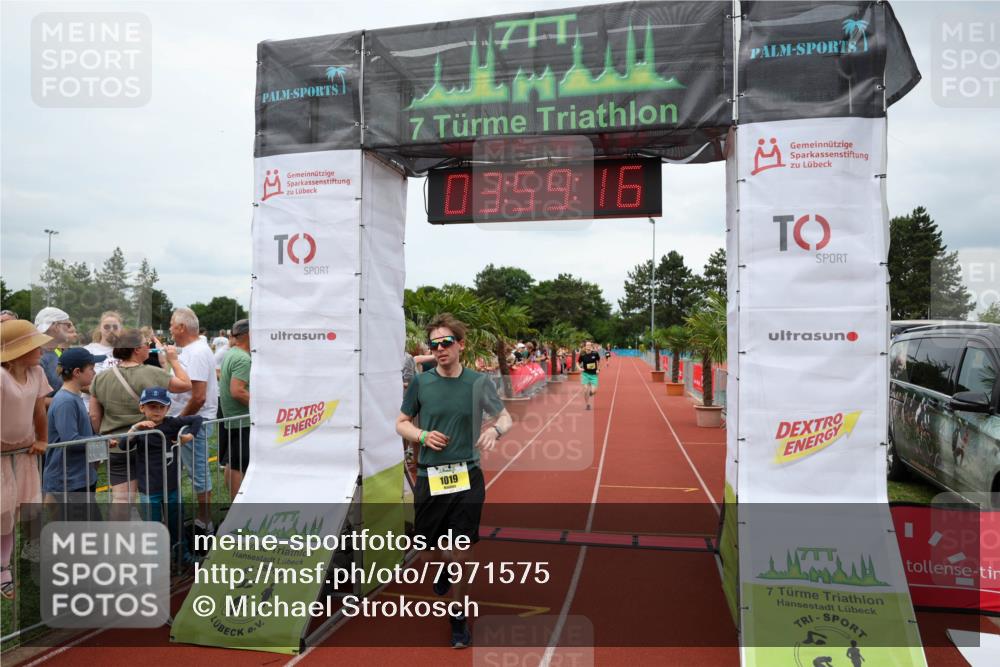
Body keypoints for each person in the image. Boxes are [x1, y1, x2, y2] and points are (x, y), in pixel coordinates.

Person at [395, 313, 513, 649]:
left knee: (460, 551)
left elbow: (505, 415)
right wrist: (421, 434)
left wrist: (495, 429)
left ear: (461, 345)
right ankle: (443, 569)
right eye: (434, 345)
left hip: (466, 476)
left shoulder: (477, 383)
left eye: (447, 342)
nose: (440, 349)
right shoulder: (422, 382)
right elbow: (401, 422)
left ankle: (458, 619)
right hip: (431, 477)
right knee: (430, 548)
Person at [90, 328, 191, 515]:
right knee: (153, 497)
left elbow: (95, 416)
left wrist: (105, 437)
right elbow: (185, 384)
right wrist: (174, 360)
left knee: (121, 499)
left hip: (115, 445)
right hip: (148, 446)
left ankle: (118, 540)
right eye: (147, 344)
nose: (149, 347)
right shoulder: (153, 373)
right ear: (136, 349)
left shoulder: (100, 377)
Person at [0, 320, 52, 599]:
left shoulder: (37, 372)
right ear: (18, 351)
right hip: (1, 455)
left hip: (23, 453)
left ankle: (12, 563)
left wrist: (42, 438)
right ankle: (3, 568)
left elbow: (39, 411)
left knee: (18, 509)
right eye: (34, 346)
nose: (41, 351)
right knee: (1, 511)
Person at [124, 387, 203, 562]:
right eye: (152, 406)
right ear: (142, 408)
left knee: (177, 524)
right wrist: (135, 427)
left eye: (161, 407)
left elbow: (197, 418)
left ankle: (183, 555)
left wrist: (190, 435)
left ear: (167, 408)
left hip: (172, 486)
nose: (157, 411)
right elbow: (123, 445)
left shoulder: (172, 424)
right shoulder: (141, 429)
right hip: (149, 490)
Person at [168, 307, 218, 538]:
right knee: (193, 470)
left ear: (181, 328)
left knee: (198, 471)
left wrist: (180, 420)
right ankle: (201, 519)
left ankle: (204, 523)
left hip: (194, 422)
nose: (169, 328)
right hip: (189, 420)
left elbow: (199, 396)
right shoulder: (191, 350)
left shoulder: (197, 352)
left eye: (171, 324)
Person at [42, 348, 103, 517]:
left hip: (79, 476)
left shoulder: (72, 397)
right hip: (69, 480)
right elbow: (71, 440)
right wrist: (101, 442)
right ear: (77, 372)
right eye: (91, 368)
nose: (94, 372)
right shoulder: (65, 401)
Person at [218, 319, 251, 498]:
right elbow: (237, 391)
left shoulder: (232, 353)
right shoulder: (243, 358)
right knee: (239, 463)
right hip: (242, 418)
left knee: (233, 461)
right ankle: (238, 507)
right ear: (249, 335)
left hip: (233, 417)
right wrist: (261, 407)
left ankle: (234, 504)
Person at [34, 307, 79, 394]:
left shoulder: (58, 352)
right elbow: (36, 401)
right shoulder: (37, 358)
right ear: (56, 326)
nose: (70, 329)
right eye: (68, 325)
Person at [578, 340, 602, 410]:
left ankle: (591, 393)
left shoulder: (595, 353)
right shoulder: (582, 355)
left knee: (594, 391)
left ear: (591, 346)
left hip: (594, 375)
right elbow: (577, 362)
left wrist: (598, 369)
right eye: (587, 345)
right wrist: (579, 368)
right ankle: (587, 404)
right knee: (585, 390)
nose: (588, 346)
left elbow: (598, 361)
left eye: (589, 345)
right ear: (585, 346)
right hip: (585, 374)